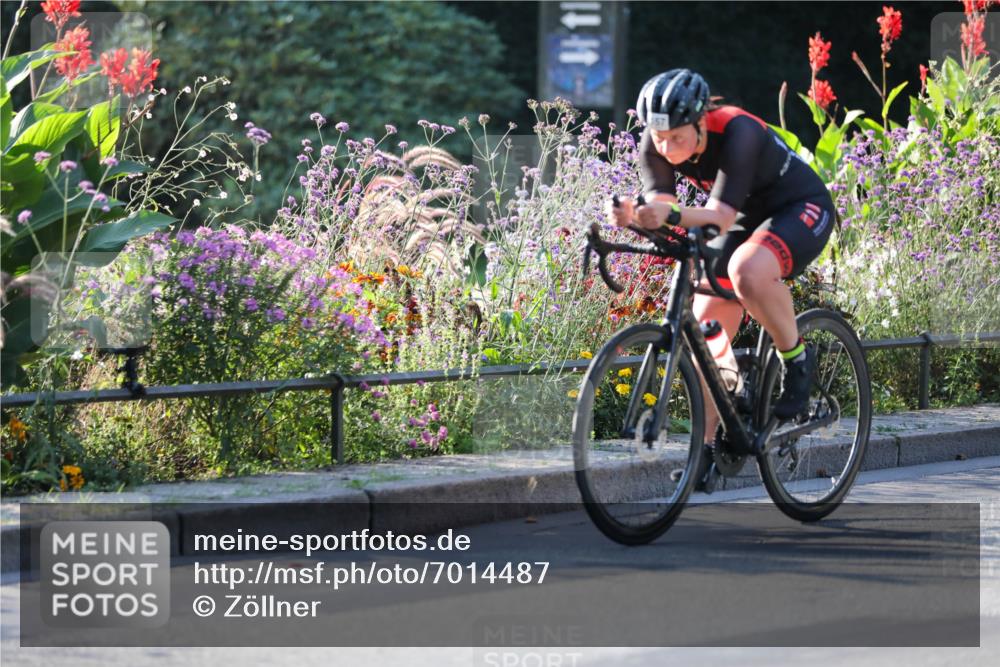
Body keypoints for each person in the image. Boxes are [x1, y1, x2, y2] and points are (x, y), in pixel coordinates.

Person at [609, 68, 835, 484]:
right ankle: (710, 449)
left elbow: (720, 215)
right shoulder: (655, 140)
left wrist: (670, 214)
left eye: (678, 136)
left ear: (700, 123)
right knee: (705, 338)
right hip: (742, 219)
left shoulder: (738, 130)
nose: (666, 146)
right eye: (659, 137)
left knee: (747, 271)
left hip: (799, 207)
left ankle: (797, 360)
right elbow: (664, 201)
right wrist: (634, 216)